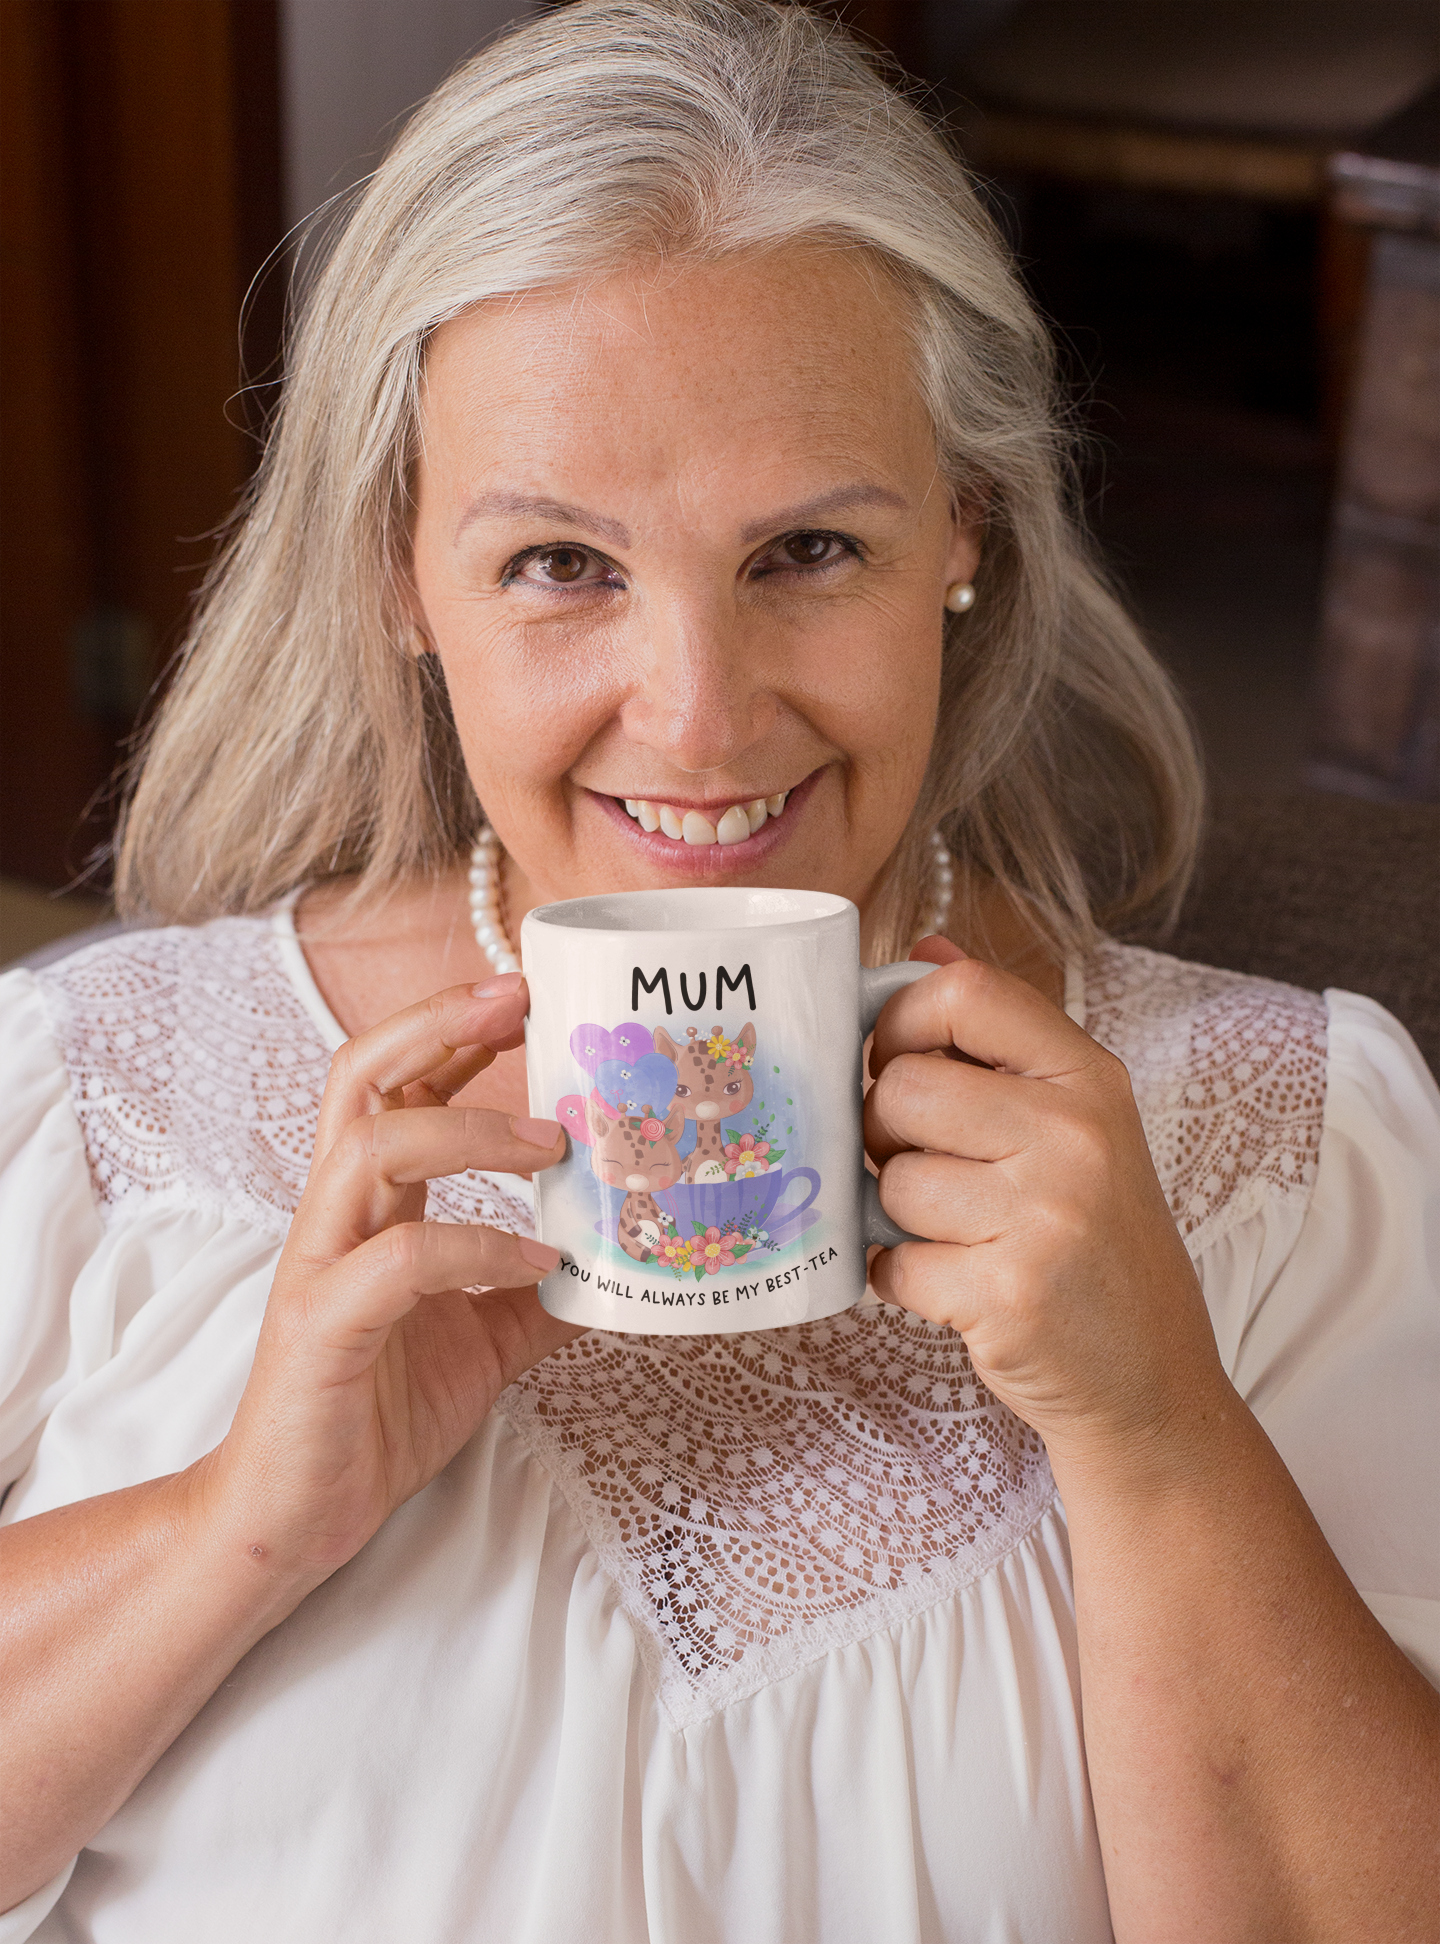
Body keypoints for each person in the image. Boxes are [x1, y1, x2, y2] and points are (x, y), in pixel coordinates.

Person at [1, 3, 1435, 1938]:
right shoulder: (83, 1089)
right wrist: (234, 1525)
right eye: (559, 566)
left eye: (809, 549)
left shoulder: (1298, 1135)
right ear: (400, 581)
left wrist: (1158, 1429)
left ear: (965, 537)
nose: (696, 721)